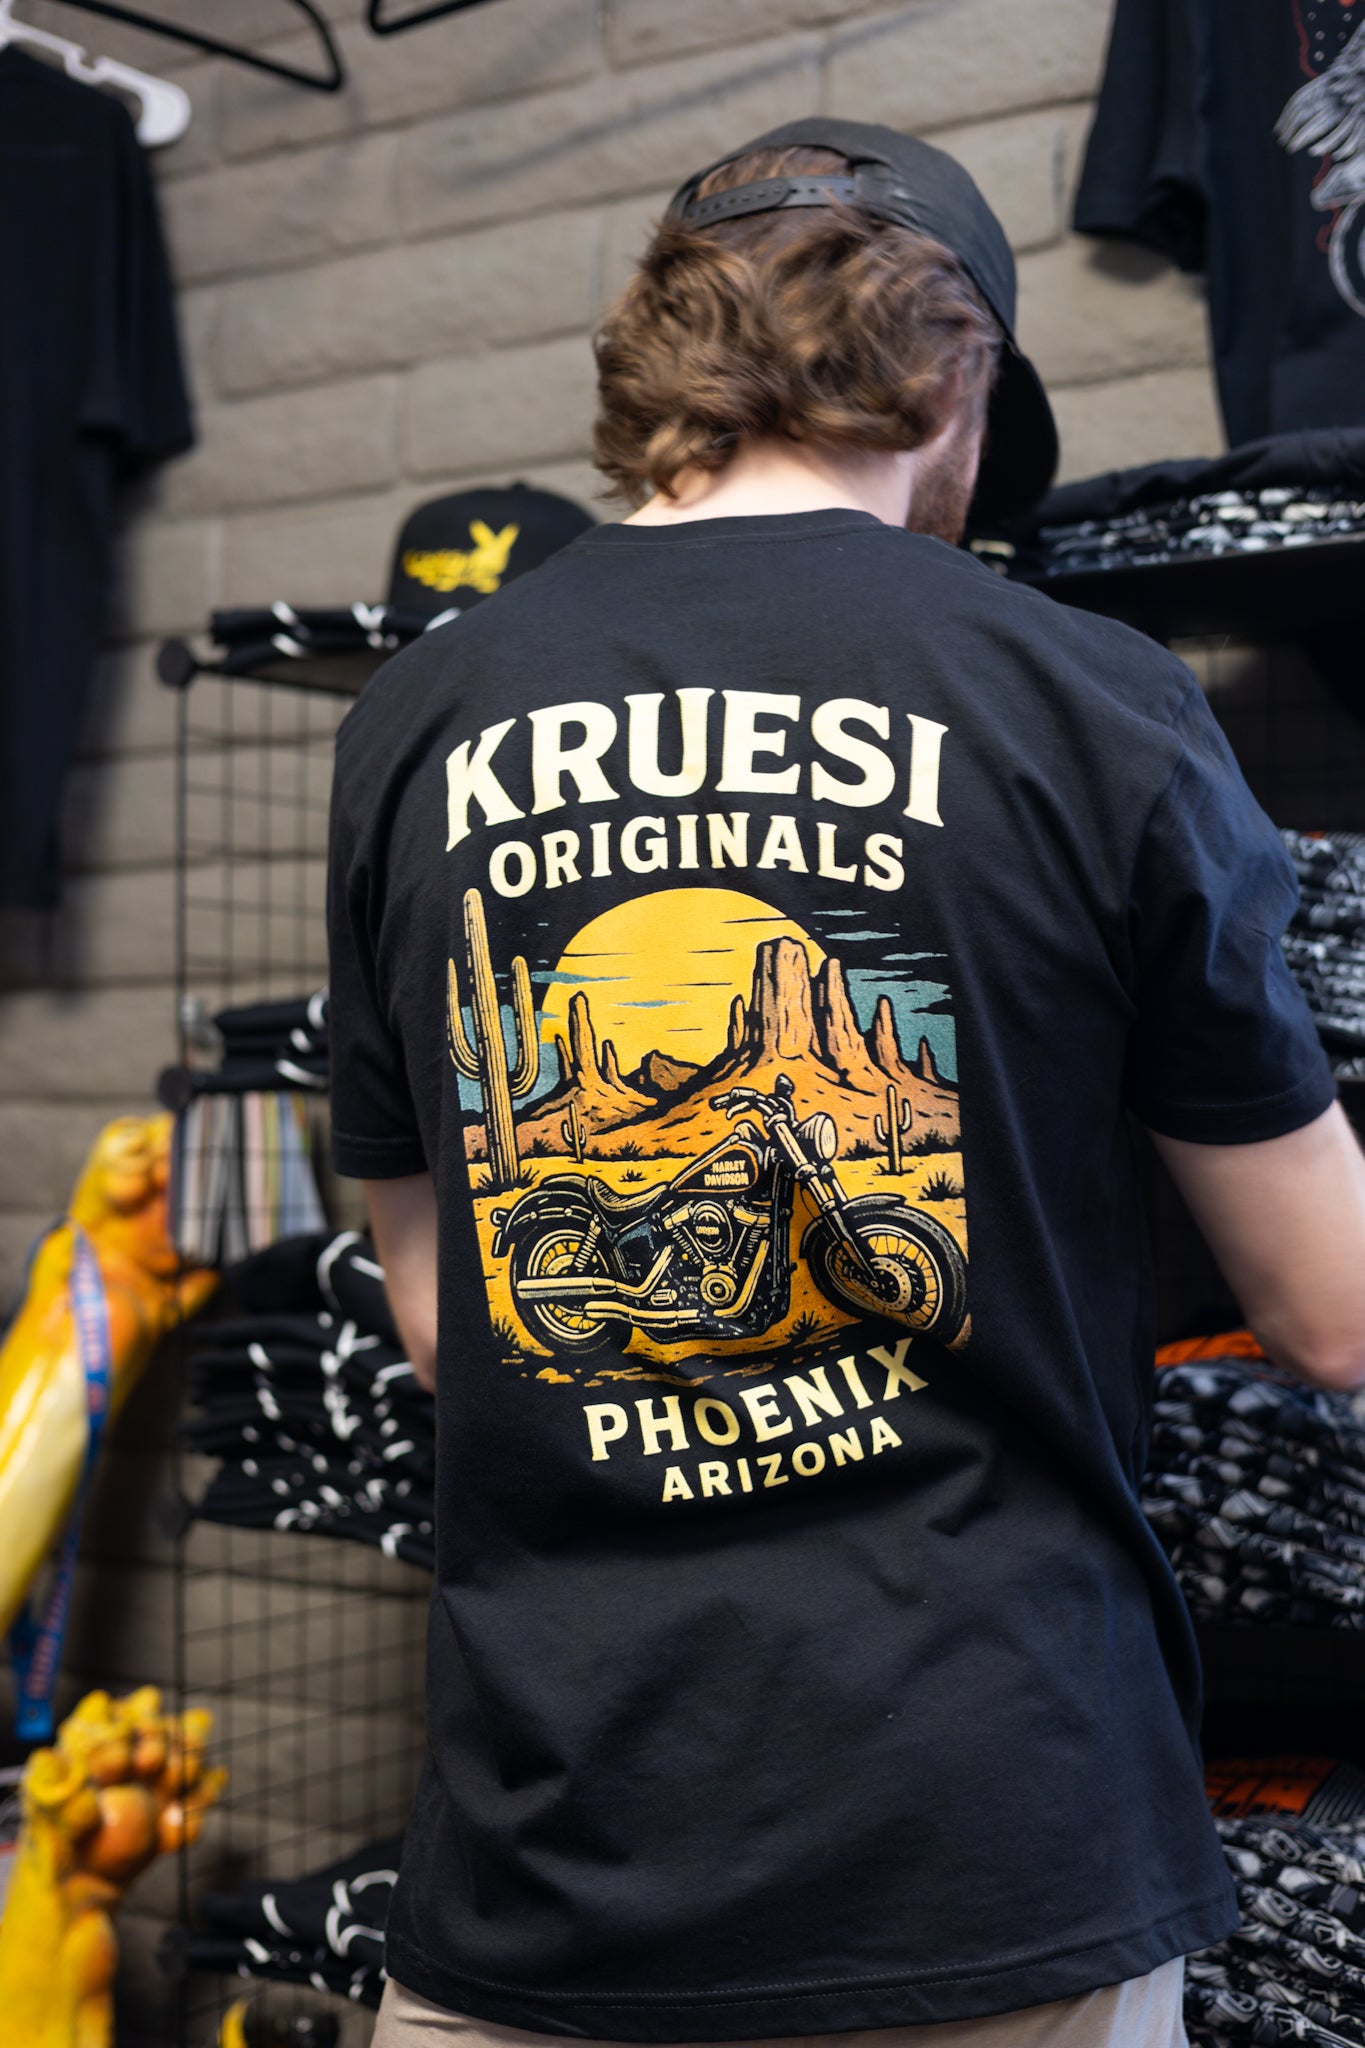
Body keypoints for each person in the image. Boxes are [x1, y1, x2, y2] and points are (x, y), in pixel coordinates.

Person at [328, 118, 1365, 2048]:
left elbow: (446, 1322)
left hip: (556, 1844)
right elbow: (1331, 1312)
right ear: (953, 378)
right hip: (994, 1836)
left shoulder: (415, 716)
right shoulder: (1088, 695)